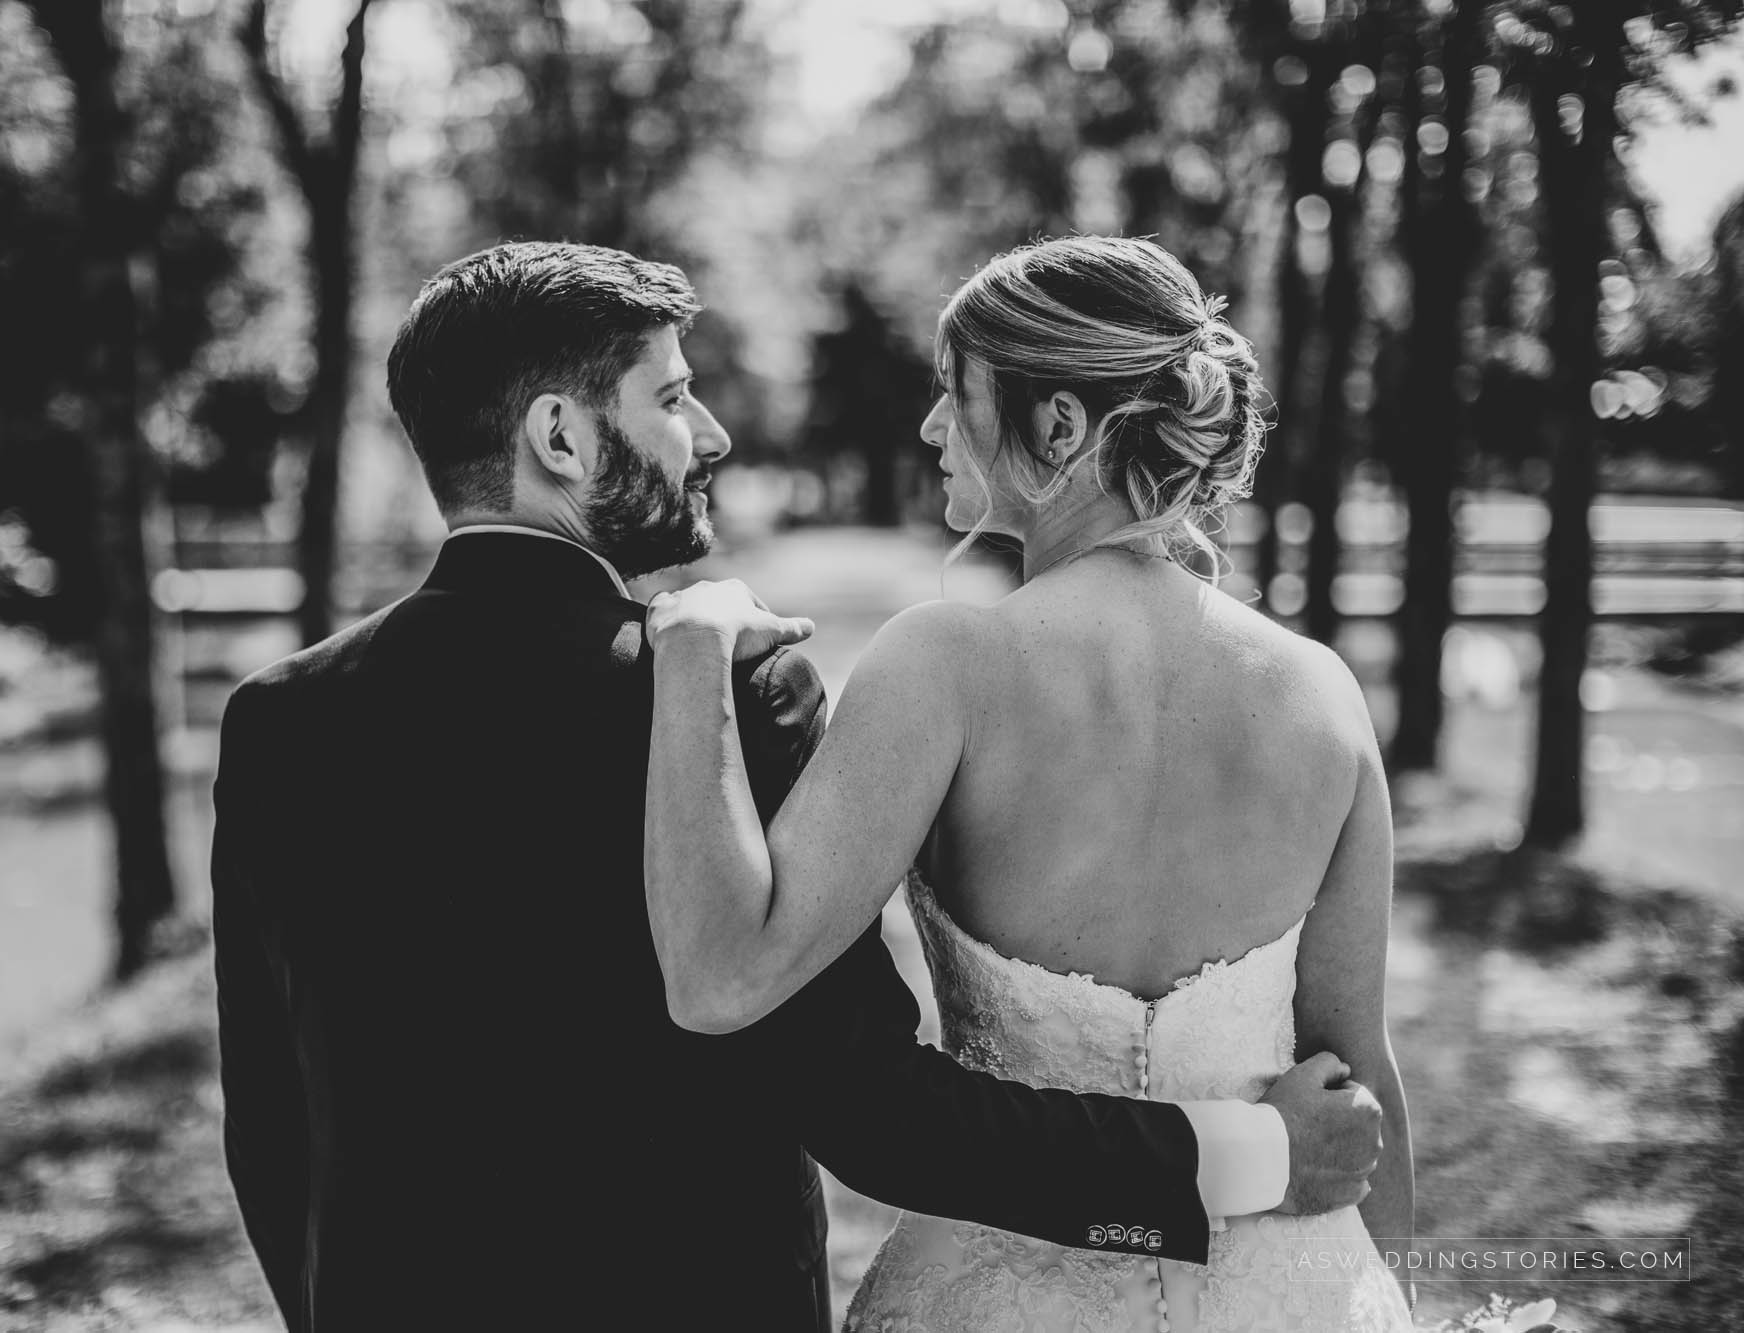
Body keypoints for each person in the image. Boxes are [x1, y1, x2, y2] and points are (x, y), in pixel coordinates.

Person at [210, 240, 1383, 1333]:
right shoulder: (726, 698)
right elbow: (871, 1110)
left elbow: (269, 1129)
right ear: (559, 439)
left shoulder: (278, 723)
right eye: (670, 398)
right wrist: (1242, 1159)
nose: (710, 433)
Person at [643, 235, 1413, 1330]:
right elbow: (1357, 1077)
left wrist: (686, 653)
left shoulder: (944, 664)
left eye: (952, 394)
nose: (927, 428)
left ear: (1057, 425)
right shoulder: (1322, 694)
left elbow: (725, 978)